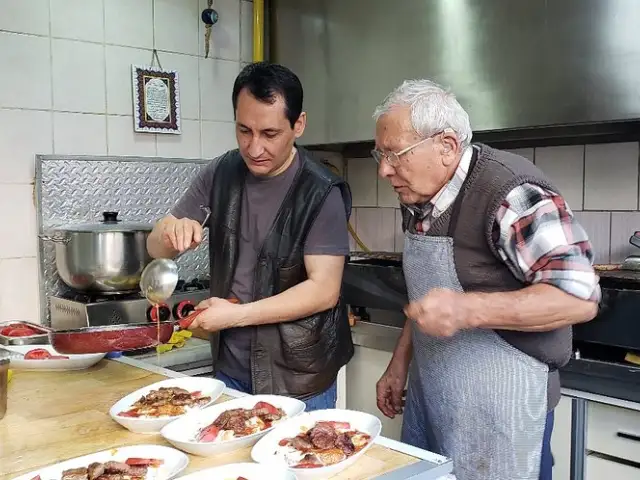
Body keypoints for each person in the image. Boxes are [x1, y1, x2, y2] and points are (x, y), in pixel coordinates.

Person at [373, 79, 600, 480]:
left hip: (504, 408)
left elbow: (579, 297)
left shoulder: (512, 194)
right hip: (436, 396)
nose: (384, 169)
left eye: (395, 154)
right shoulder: (419, 191)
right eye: (381, 153)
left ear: (446, 146)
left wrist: (468, 308)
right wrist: (400, 360)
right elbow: (428, 293)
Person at [146, 62, 354, 410]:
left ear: (298, 124)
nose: (254, 147)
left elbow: (323, 291)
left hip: (299, 379)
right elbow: (155, 248)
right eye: (244, 131)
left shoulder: (321, 191)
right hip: (231, 369)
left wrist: (234, 316)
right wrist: (170, 233)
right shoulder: (222, 172)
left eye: (270, 134)